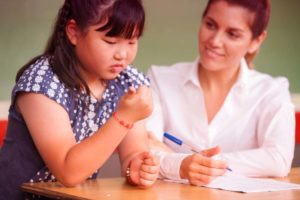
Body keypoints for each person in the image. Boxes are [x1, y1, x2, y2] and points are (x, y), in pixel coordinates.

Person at [0, 0, 160, 199]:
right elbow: (68, 171)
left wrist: (137, 167)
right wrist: (124, 117)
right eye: (110, 42)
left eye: (132, 41)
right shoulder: (42, 83)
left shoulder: (128, 81)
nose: (122, 54)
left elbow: (133, 153)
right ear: (74, 32)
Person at [146, 0, 295, 186]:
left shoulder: (272, 91)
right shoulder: (160, 80)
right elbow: (146, 152)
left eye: (232, 34)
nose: (215, 41)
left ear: (256, 41)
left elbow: (278, 160)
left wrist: (182, 162)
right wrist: (182, 164)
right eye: (210, 25)